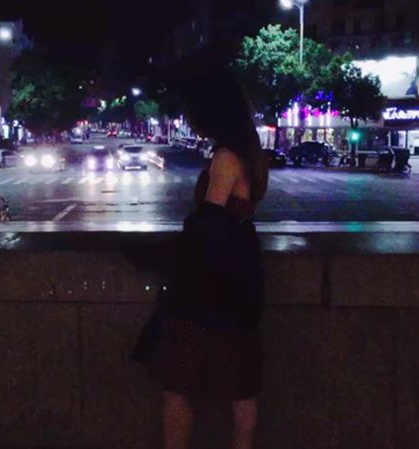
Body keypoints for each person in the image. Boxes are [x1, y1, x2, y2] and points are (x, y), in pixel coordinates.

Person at [138, 50, 269, 449]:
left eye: (192, 110)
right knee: (241, 387)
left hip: (213, 283)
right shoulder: (248, 151)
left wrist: (160, 255)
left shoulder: (226, 158)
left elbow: (207, 223)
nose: (190, 117)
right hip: (242, 275)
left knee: (178, 385)